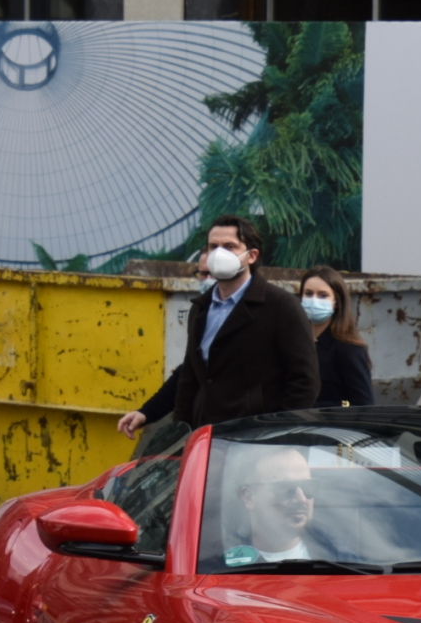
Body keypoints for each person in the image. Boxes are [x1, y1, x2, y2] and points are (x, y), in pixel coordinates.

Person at [117, 217, 320, 451]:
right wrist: (149, 414)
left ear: (251, 256)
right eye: (213, 246)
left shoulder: (280, 306)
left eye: (230, 246)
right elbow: (191, 373)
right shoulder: (201, 308)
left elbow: (305, 381)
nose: (219, 253)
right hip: (206, 442)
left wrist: (277, 437)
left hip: (256, 443)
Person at [220, 447, 316, 565]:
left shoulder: (340, 558)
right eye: (286, 488)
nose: (302, 499)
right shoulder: (216, 568)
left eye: (308, 486)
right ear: (249, 497)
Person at [300, 267, 377, 407]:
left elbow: (363, 403)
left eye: (323, 295)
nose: (314, 301)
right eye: (308, 294)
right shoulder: (295, 342)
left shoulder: (348, 349)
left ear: (336, 301)